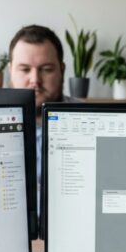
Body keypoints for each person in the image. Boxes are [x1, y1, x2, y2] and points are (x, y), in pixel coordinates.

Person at [8, 24, 74, 211]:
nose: (35, 79)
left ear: (61, 69)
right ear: (10, 70)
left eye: (46, 69)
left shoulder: (91, 121)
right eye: (24, 69)